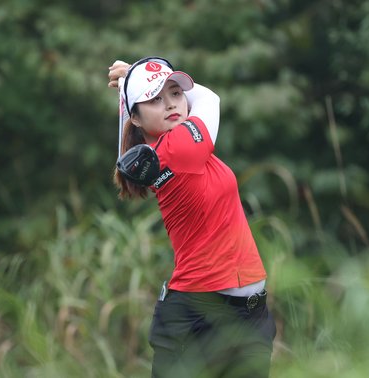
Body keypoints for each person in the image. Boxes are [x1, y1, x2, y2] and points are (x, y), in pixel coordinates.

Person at [108, 56, 276, 378]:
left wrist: (137, 79)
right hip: (200, 317)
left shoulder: (176, 149)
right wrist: (132, 75)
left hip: (248, 317)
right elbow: (209, 98)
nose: (171, 104)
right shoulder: (179, 147)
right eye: (154, 99)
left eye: (175, 93)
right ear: (137, 119)